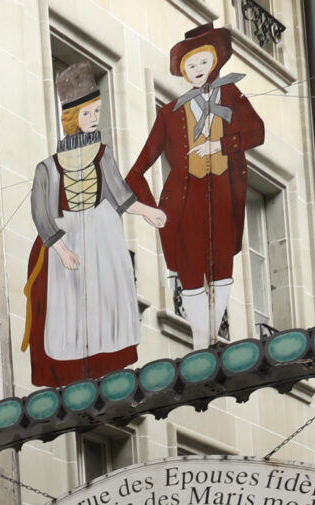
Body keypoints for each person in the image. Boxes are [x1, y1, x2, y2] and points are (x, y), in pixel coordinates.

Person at [23, 64, 167, 387]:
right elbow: (42, 213)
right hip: (68, 235)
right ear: (73, 118)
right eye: (89, 113)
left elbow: (120, 195)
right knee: (69, 304)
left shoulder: (103, 155)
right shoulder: (47, 167)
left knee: (107, 298)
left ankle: (107, 361)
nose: (95, 118)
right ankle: (74, 368)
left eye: (98, 111)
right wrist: (60, 249)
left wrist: (146, 211)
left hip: (103, 236)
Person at [125, 24, 264, 347]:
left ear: (214, 62)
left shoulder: (231, 95)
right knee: (190, 273)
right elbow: (136, 171)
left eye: (203, 62)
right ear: (184, 73)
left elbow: (257, 133)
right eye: (191, 65)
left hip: (224, 196)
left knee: (222, 267)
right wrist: (150, 210)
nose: (198, 70)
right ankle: (201, 344)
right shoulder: (169, 113)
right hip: (185, 203)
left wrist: (221, 146)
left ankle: (210, 338)